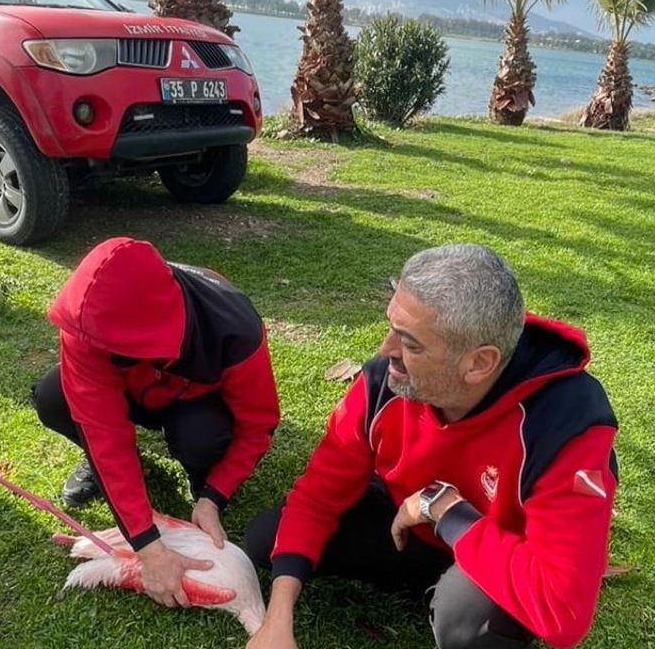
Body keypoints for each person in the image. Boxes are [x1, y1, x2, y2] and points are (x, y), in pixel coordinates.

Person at [244, 245, 620, 649]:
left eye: (410, 343)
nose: (385, 350)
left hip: (497, 550)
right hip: (407, 528)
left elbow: (563, 616)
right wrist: (276, 620)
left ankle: (452, 593)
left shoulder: (567, 426)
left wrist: (444, 509)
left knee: (466, 622)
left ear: (478, 364)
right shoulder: (382, 383)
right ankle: (430, 582)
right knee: (269, 538)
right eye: (391, 327)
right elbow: (317, 497)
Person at [32, 237, 280, 609]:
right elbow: (103, 433)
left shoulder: (235, 328)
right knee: (54, 396)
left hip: (195, 403)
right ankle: (114, 471)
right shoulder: (85, 325)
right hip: (135, 395)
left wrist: (214, 494)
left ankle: (205, 479)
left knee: (204, 436)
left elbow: (257, 425)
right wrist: (147, 546)